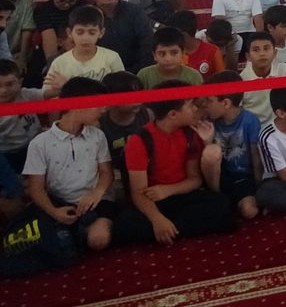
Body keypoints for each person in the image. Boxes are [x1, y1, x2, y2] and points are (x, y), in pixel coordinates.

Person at [113, 82, 235, 245]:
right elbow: (138, 193)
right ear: (172, 114)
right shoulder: (139, 141)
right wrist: (157, 219)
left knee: (221, 204)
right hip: (153, 200)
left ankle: (169, 231)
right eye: (190, 105)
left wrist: (168, 190)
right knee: (125, 225)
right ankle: (172, 229)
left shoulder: (190, 134)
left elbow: (195, 179)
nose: (195, 109)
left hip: (181, 193)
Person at [22, 76, 117, 252]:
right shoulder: (40, 143)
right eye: (98, 104)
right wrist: (54, 211)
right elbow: (36, 189)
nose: (104, 109)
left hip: (97, 201)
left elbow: (106, 172)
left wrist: (96, 193)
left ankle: (81, 231)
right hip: (60, 202)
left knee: (98, 240)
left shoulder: (97, 136)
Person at [198, 72, 263, 220]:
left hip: (243, 179)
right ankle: (218, 198)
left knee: (250, 211)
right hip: (219, 178)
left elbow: (256, 158)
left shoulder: (250, 120)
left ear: (226, 103)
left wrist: (258, 188)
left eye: (209, 101)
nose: (206, 105)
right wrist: (207, 140)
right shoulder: (209, 121)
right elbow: (208, 160)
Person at [43, 5, 124, 98]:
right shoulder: (60, 62)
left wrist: (69, 86)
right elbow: (45, 94)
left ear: (101, 33)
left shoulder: (112, 58)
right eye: (80, 32)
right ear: (69, 33)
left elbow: (123, 90)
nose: (85, 38)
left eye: (92, 33)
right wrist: (63, 89)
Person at [239, 33, 286, 124]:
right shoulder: (241, 80)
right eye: (256, 50)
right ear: (248, 56)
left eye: (266, 48)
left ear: (275, 53)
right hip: (254, 128)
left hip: (280, 125)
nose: (262, 54)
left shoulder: (284, 70)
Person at [137, 28, 204, 89]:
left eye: (174, 53)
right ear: (154, 55)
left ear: (183, 53)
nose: (168, 59)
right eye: (162, 54)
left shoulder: (194, 77)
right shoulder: (144, 76)